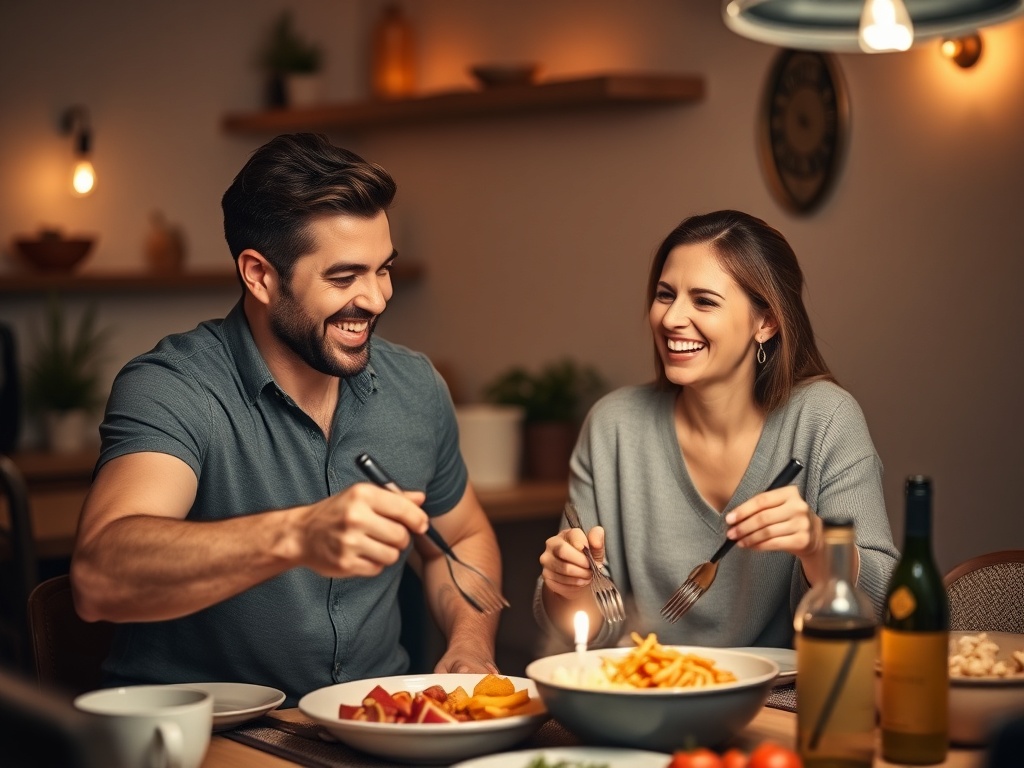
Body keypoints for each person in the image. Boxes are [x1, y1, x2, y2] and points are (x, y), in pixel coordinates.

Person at [71, 133, 503, 704]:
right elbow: (100, 577)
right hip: (208, 739)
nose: (376, 299)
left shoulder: (416, 385)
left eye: (384, 270)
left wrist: (471, 642)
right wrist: (296, 534)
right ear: (260, 276)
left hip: (370, 730)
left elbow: (464, 537)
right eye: (345, 278)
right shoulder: (174, 387)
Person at [536, 210, 898, 649]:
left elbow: (886, 603)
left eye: (703, 301)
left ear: (766, 322)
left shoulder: (825, 418)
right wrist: (570, 587)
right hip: (648, 695)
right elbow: (589, 631)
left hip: (783, 701)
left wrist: (819, 548)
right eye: (665, 295)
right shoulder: (613, 425)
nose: (671, 319)